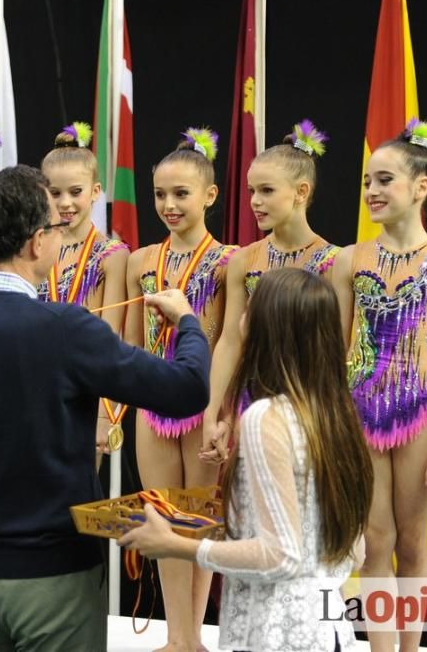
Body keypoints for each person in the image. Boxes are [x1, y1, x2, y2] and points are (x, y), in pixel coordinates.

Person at [0, 165, 210, 652]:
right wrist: (188, 324)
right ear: (35, 243)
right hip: (51, 571)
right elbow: (188, 389)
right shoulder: (66, 328)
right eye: (52, 227)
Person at [122, 268, 372, 652]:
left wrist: (177, 544)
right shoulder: (337, 416)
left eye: (251, 307)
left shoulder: (266, 418)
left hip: (278, 637)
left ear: (269, 328)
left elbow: (280, 554)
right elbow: (354, 551)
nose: (241, 315)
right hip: (329, 629)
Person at [329, 119, 427, 652]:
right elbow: (337, 349)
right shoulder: (350, 259)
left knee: (412, 539)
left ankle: (410, 648)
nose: (372, 192)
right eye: (367, 181)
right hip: (359, 410)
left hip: (418, 411)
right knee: (374, 541)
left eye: (384, 180)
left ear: (420, 186)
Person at [124, 126, 237, 652]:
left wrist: (222, 412)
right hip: (154, 402)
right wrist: (114, 412)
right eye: (160, 194)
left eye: (181, 194)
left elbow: (234, 340)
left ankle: (193, 635)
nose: (168, 204)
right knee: (164, 514)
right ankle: (180, 638)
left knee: (202, 519)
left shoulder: (231, 260)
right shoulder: (140, 261)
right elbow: (127, 345)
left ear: (210, 195)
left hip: (204, 401)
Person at [202, 119, 340, 464]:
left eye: (266, 190)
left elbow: (337, 348)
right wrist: (214, 411)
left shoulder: (335, 262)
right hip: (251, 402)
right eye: (251, 191)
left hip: (309, 407)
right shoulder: (243, 259)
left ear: (301, 192)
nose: (255, 201)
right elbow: (231, 341)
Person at [39, 122, 129, 458]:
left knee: (76, 500)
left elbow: (109, 339)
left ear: (95, 191)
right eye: (54, 192)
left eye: (75, 192)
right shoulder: (31, 249)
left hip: (84, 391)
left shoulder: (112, 255)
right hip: (35, 385)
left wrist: (107, 414)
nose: (65, 203)